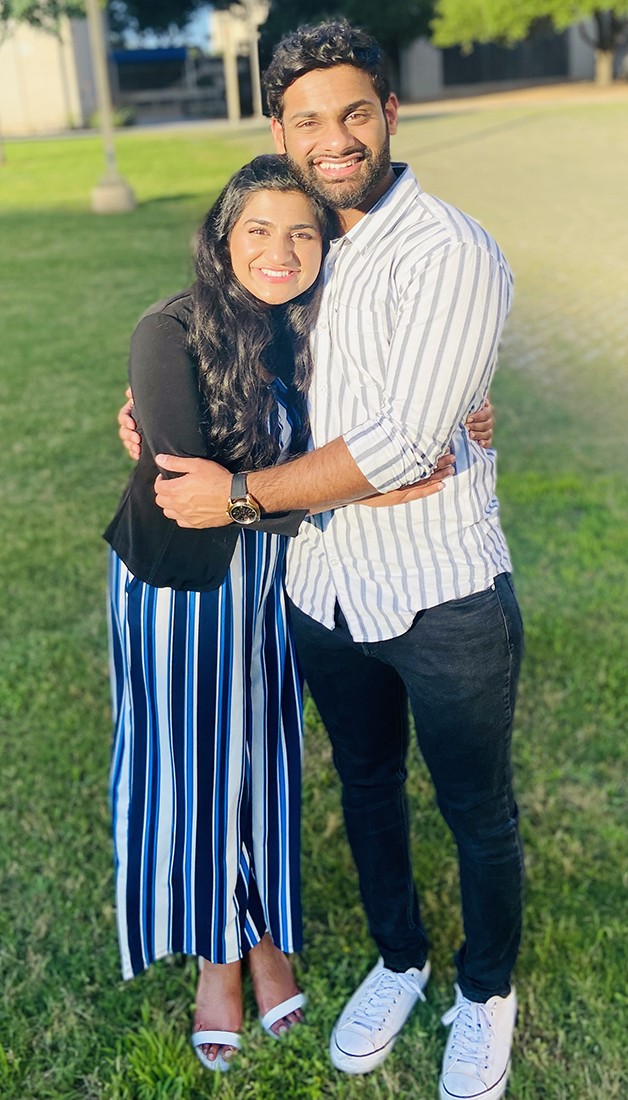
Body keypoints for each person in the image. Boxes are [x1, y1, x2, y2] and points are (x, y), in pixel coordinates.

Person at [127, 20, 525, 1100]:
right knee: (364, 785)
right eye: (309, 118)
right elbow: (227, 340)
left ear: (391, 113)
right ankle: (400, 956)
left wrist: (242, 493)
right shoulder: (300, 241)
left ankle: (485, 990)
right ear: (279, 130)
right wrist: (161, 414)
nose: (334, 137)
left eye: (355, 111)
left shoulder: (448, 248)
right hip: (320, 586)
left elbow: (399, 440)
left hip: (438, 587)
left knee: (475, 807)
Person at [105, 154, 455, 1075]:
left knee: (265, 767)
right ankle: (222, 960)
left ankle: (270, 937)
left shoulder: (318, 326)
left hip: (284, 584)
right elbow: (192, 496)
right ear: (223, 239)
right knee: (200, 773)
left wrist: (464, 415)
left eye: (303, 231)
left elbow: (401, 403)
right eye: (257, 228)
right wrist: (366, 491)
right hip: (184, 586)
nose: (281, 248)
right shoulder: (168, 329)